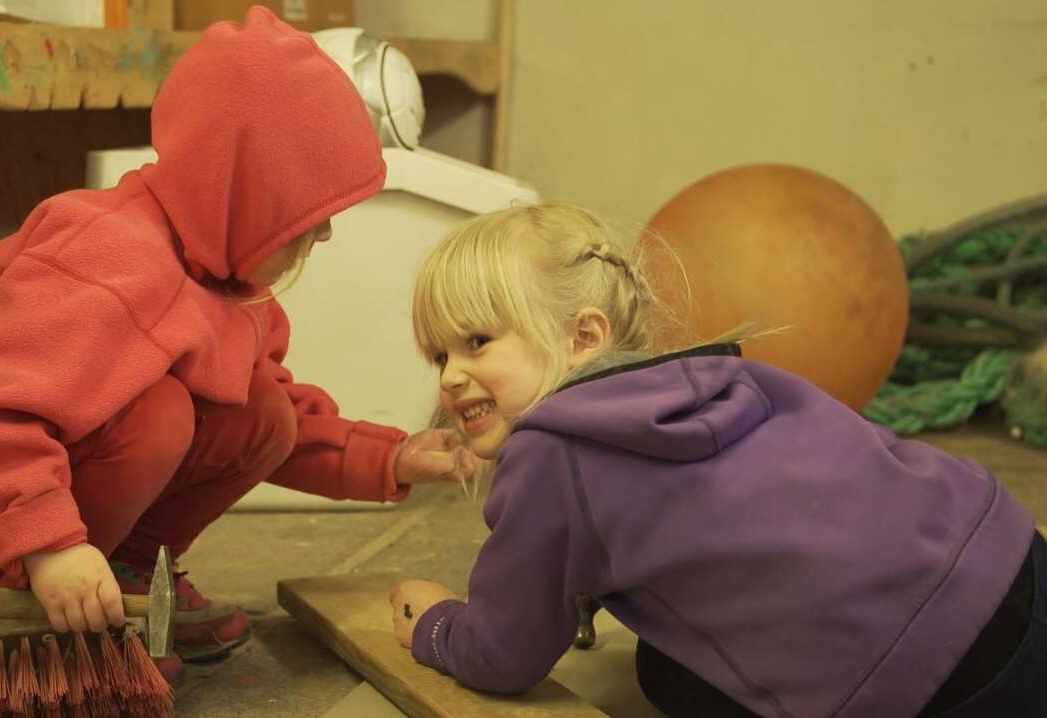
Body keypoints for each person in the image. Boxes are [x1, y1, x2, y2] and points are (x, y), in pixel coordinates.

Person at [0, 6, 472, 671]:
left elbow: (281, 424)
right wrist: (49, 546)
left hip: (21, 477)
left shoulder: (232, 280)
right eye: (308, 216)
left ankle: (122, 569)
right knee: (159, 415)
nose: (322, 235)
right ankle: (6, 606)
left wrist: (391, 459)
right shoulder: (106, 254)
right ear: (247, 194)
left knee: (259, 411)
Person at [389, 202, 1046, 717]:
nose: (450, 377)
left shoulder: (550, 451)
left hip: (942, 680)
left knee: (669, 678)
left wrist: (437, 623)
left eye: (477, 341)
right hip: (1009, 553)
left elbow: (504, 655)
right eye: (438, 355)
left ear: (584, 337)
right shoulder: (724, 378)